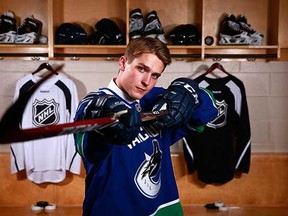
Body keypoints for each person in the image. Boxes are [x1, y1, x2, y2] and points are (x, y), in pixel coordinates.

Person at [74, 37, 217, 216]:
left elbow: (211, 109)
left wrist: (187, 91)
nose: (146, 81)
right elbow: (89, 150)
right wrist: (104, 124)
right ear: (123, 62)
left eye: (155, 75)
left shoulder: (157, 100)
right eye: (142, 69)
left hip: (164, 209)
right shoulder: (93, 104)